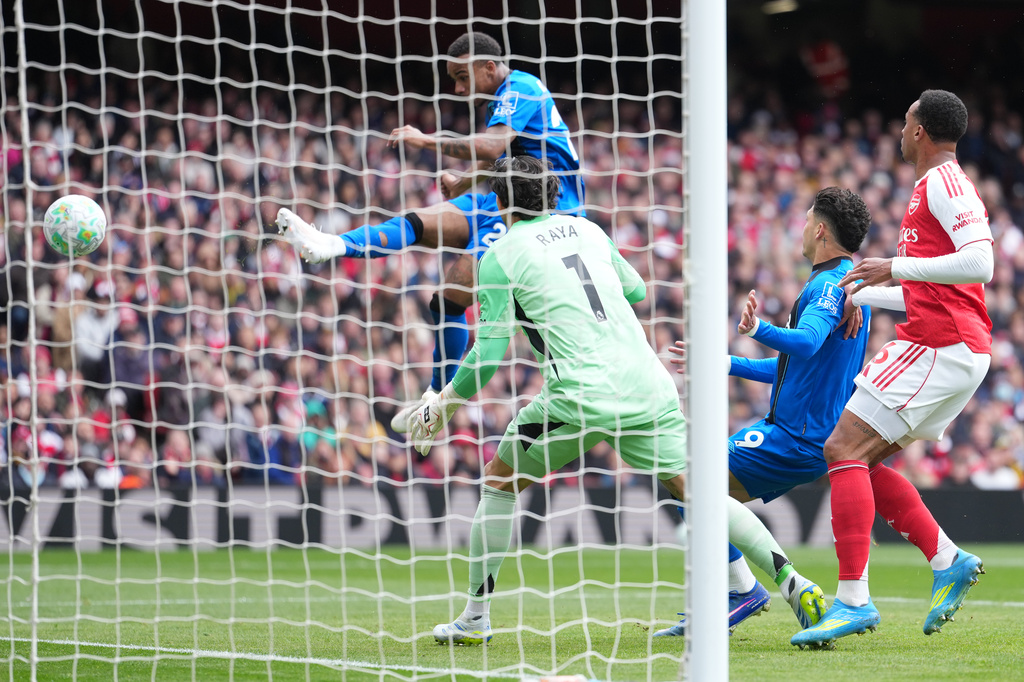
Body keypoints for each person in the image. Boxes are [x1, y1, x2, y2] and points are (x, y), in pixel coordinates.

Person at [408, 155, 685, 645]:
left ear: (497, 201)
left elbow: (487, 358)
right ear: (554, 196)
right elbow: (638, 289)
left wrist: (445, 402)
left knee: (498, 483)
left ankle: (474, 618)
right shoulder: (588, 229)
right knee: (692, 489)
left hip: (577, 393)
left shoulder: (499, 256)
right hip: (644, 381)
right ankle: (792, 583)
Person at [276, 31, 584, 429]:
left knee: (450, 298)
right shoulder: (509, 95)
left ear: (489, 68)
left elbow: (493, 147)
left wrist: (424, 141)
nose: (457, 89)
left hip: (543, 212)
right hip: (506, 198)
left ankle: (436, 404)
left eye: (461, 77)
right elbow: (510, 156)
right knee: (419, 223)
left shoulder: (520, 87)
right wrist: (463, 183)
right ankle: (329, 244)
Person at [791, 89, 991, 649]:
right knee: (863, 460)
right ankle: (947, 559)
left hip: (940, 346)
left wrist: (892, 266)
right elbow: (933, 290)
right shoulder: (933, 187)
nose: (900, 131)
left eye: (905, 122)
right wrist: (870, 294)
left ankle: (853, 599)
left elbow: (983, 262)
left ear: (921, 131)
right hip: (946, 341)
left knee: (841, 450)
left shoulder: (945, 183)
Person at [656, 187, 872, 637]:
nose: (802, 227)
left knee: (682, 475)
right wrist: (726, 363)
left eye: (807, 217)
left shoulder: (830, 288)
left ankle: (750, 589)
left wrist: (758, 328)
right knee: (695, 488)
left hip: (795, 437)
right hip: (800, 433)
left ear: (819, 229)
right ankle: (751, 589)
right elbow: (796, 367)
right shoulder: (845, 284)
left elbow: (807, 342)